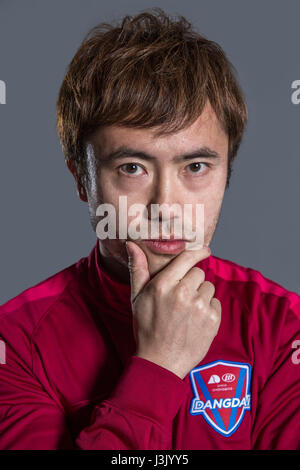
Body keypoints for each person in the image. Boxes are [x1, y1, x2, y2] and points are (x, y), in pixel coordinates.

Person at [0, 8, 299, 450]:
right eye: (133, 167)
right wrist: (158, 367)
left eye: (195, 166)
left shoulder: (283, 327)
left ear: (226, 174)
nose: (166, 205)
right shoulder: (16, 344)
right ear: (82, 179)